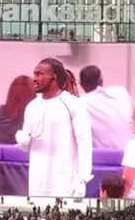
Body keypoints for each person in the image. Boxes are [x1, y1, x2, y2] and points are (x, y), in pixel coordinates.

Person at [18, 57, 92, 198]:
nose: (34, 78)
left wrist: (82, 178)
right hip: (37, 182)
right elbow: (26, 145)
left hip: (65, 183)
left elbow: (85, 143)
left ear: (54, 77)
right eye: (34, 74)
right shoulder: (32, 106)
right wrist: (22, 141)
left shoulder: (74, 104)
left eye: (39, 74)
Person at [78, 65, 135, 153]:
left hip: (108, 160)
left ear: (81, 84)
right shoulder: (121, 92)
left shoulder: (80, 103)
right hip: (134, 156)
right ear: (101, 81)